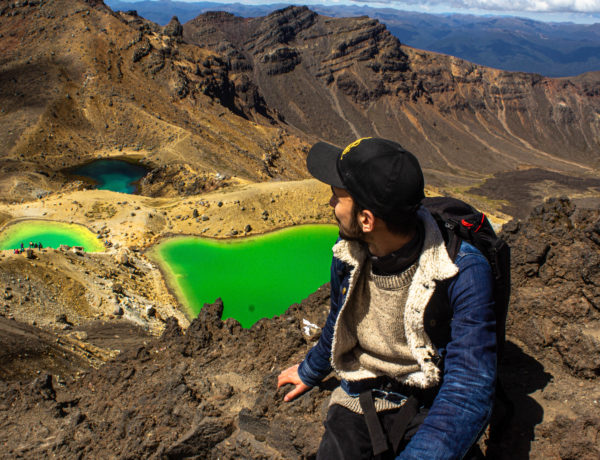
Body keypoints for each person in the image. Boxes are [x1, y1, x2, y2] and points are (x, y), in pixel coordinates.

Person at [277, 137, 496, 459]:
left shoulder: (462, 271)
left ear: (366, 220)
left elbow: (467, 392)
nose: (330, 205)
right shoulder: (347, 255)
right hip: (360, 392)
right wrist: (310, 371)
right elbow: (338, 324)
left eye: (338, 197)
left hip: (429, 400)